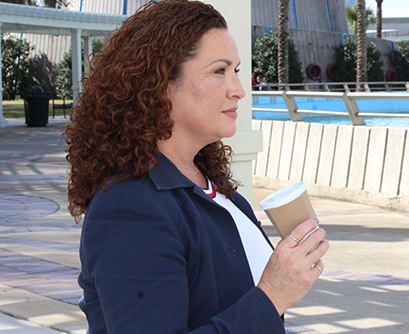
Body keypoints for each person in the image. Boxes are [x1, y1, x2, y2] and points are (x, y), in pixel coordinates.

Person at [64, 1, 329, 333]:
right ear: (160, 82)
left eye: (236, 70)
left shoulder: (208, 186)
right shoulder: (130, 206)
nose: (238, 90)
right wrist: (273, 295)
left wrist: (288, 273)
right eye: (219, 71)